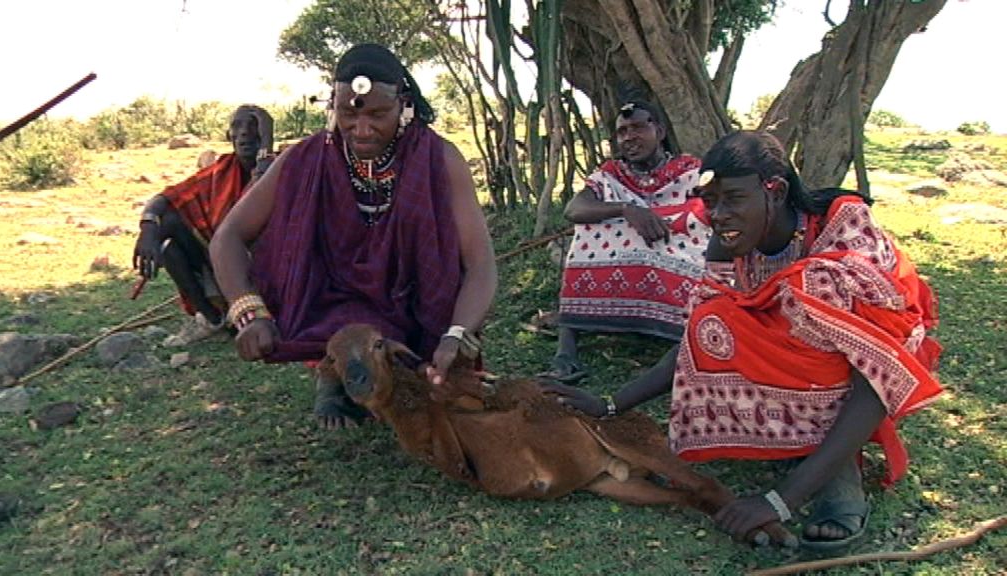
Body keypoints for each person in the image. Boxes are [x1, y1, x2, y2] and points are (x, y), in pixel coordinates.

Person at [545, 131, 941, 549]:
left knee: (806, 295)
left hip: (883, 362)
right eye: (710, 202)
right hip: (803, 363)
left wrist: (782, 500)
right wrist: (610, 403)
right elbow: (695, 336)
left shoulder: (843, 231)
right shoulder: (728, 245)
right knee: (715, 318)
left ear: (776, 190)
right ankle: (794, 440)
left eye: (733, 199)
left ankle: (840, 482)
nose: (718, 216)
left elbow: (876, 377)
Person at [209, 44, 497, 430]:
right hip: (336, 309)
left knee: (447, 400)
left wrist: (457, 334)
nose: (362, 130)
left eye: (379, 114)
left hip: (421, 306)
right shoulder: (303, 159)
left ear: (404, 105)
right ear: (332, 107)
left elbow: (480, 262)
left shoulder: (440, 159)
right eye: (348, 113)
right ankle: (334, 372)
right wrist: (249, 314)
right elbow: (227, 237)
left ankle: (388, 370)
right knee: (355, 329)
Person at [543, 99, 709, 382]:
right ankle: (566, 353)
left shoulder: (690, 171)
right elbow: (574, 209)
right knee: (588, 228)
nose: (629, 137)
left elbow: (709, 212)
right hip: (624, 256)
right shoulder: (611, 175)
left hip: (678, 253)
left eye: (638, 128)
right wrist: (626, 210)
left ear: (660, 131)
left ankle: (684, 343)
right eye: (622, 132)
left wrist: (661, 218)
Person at [133, 105, 274, 346]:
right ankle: (212, 318)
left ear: (267, 135)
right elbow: (166, 197)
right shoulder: (219, 172)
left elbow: (254, 199)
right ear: (229, 136)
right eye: (237, 127)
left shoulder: (284, 167)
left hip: (269, 266)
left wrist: (266, 154)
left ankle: (256, 314)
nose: (244, 133)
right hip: (224, 263)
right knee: (166, 226)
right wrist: (148, 228)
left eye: (255, 127)